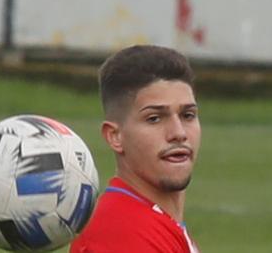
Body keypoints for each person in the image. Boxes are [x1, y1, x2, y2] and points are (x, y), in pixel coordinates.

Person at [71, 45, 202, 253]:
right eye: (154, 118)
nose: (179, 133)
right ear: (115, 136)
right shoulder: (121, 237)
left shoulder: (156, 223)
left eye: (188, 115)